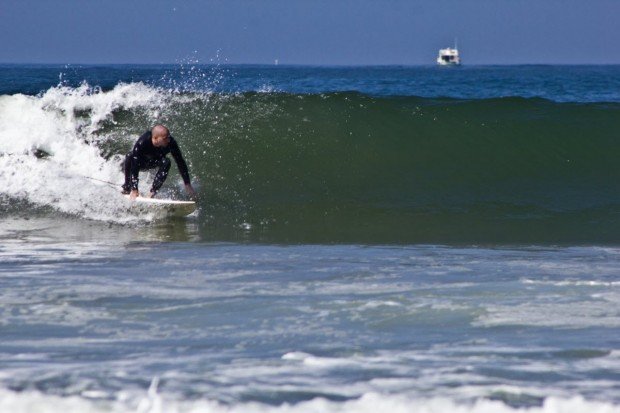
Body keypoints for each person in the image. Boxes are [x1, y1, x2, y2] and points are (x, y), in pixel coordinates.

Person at [122, 125, 197, 200]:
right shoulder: (143, 142)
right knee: (129, 156)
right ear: (155, 138)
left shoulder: (171, 143)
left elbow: (180, 161)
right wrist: (134, 188)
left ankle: (153, 192)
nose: (168, 140)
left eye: (168, 137)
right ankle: (127, 187)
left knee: (166, 161)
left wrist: (187, 184)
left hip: (154, 162)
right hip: (141, 163)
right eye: (165, 138)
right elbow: (135, 165)